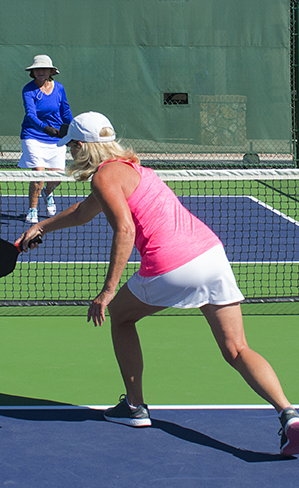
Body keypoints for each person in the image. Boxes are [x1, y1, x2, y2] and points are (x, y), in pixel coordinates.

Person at [16, 111, 299, 456]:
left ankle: (135, 407)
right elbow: (82, 212)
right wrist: (43, 226)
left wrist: (107, 291)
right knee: (237, 349)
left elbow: (125, 230)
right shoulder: (135, 170)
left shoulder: (104, 178)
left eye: (72, 147)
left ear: (81, 146)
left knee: (120, 316)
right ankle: (289, 416)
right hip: (211, 254)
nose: (71, 154)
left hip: (172, 264)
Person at [18, 55, 73, 224]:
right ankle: (32, 210)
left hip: (56, 137)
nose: (41, 72)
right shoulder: (28, 90)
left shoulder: (59, 88)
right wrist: (46, 129)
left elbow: (65, 111)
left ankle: (48, 193)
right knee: (39, 174)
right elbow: (31, 115)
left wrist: (72, 129)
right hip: (33, 135)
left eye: (44, 69)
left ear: (50, 72)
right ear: (32, 72)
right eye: (37, 69)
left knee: (56, 177)